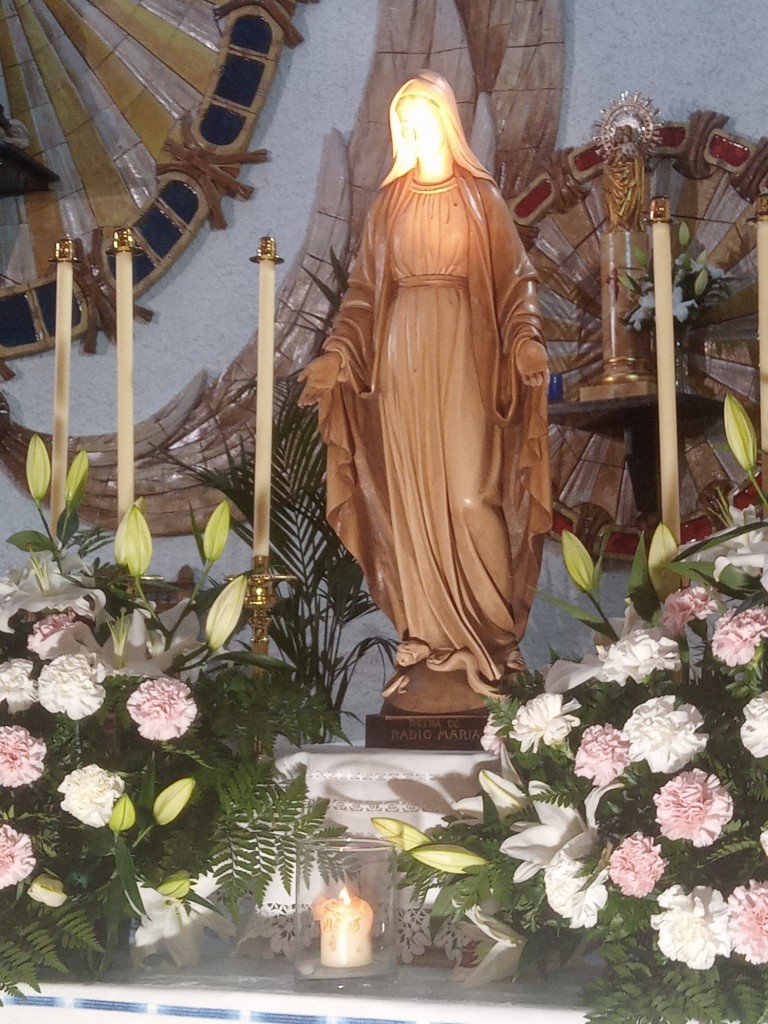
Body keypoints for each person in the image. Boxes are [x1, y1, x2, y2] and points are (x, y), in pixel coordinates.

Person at [298, 71, 551, 711]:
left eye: (424, 120)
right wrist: (337, 353)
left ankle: (493, 637)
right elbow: (361, 295)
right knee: (413, 506)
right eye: (403, 124)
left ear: (448, 123)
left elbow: (515, 284)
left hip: (465, 355)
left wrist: (524, 340)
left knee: (470, 493)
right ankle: (430, 638)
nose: (413, 133)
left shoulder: (479, 198)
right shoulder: (390, 206)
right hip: (400, 361)